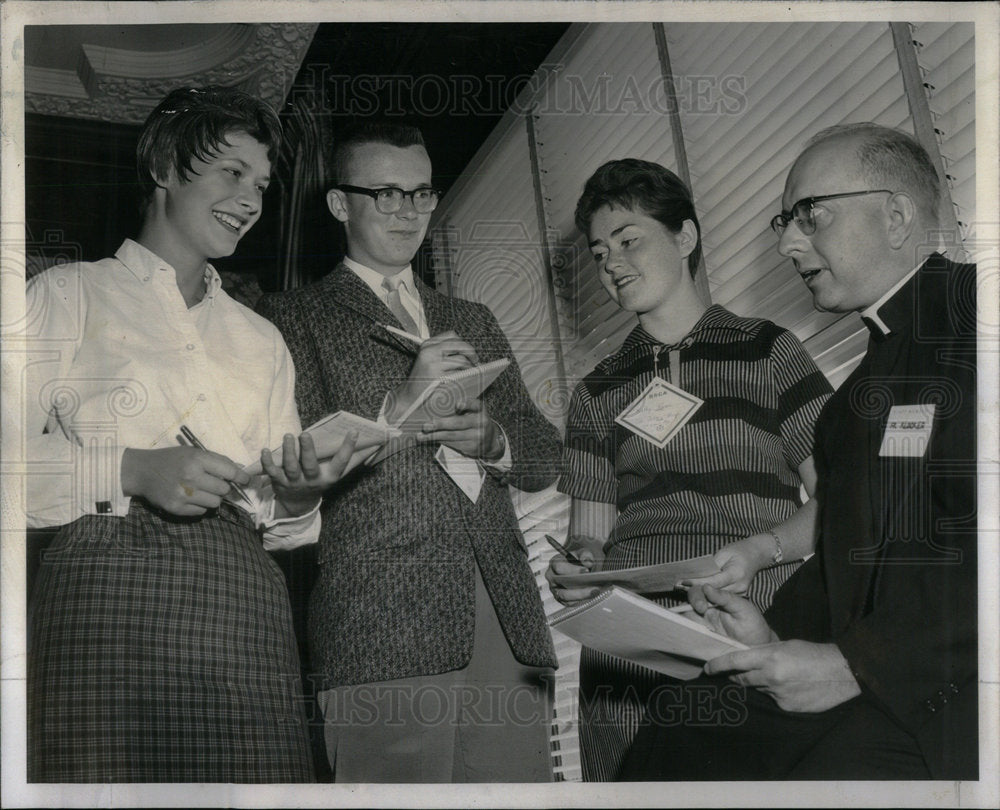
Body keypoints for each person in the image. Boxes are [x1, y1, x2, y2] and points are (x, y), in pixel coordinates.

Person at [26, 86, 365, 782]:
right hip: (105, 590)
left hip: (248, 600)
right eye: (230, 173)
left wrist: (300, 495)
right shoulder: (65, 293)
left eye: (263, 185)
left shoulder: (262, 338)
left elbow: (283, 523)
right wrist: (131, 469)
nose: (250, 199)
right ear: (163, 166)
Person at [621, 123, 977, 780]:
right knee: (679, 729)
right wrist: (768, 637)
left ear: (896, 216)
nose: (788, 243)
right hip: (883, 669)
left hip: (959, 683)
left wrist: (855, 664)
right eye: (787, 222)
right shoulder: (849, 406)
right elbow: (844, 561)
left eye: (810, 216)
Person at [255, 120, 561, 783]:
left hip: (504, 617)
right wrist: (401, 403)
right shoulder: (289, 318)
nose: (408, 211)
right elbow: (292, 461)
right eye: (386, 193)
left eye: (420, 194)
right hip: (380, 624)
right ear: (340, 204)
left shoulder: (472, 317)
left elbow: (544, 454)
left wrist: (496, 441)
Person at [545, 158, 833, 781]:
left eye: (629, 241)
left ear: (685, 237)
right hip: (629, 653)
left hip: (748, 625)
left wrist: (761, 552)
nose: (612, 263)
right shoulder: (597, 391)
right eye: (600, 252)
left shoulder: (769, 350)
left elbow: (842, 503)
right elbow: (588, 536)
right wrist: (577, 566)